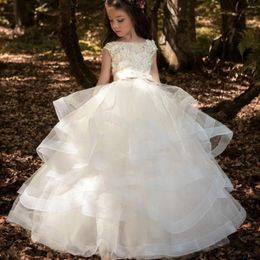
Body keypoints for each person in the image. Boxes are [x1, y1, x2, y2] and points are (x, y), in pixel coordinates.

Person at [6, 0, 247, 260]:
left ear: (133, 16)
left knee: (152, 166)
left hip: (149, 104)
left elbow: (155, 79)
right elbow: (102, 81)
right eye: (111, 21)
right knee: (110, 167)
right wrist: (89, 111)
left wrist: (168, 108)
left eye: (120, 19)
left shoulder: (150, 46)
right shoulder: (111, 48)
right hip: (115, 104)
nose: (115, 25)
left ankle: (148, 235)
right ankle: (110, 235)